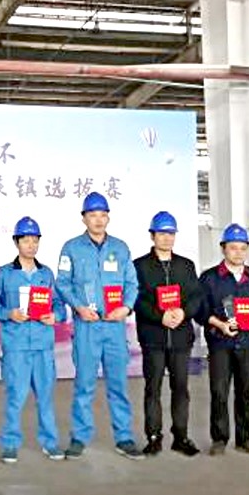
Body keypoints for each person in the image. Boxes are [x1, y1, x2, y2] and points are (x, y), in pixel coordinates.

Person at [56, 192, 143, 460]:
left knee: (118, 385)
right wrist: (78, 307)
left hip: (114, 327)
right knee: (84, 385)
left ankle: (124, 437)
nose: (98, 220)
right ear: (84, 218)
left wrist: (126, 308)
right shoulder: (71, 248)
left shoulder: (120, 248)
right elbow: (62, 283)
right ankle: (79, 437)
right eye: (92, 215)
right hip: (87, 327)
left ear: (108, 218)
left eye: (102, 215)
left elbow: (132, 284)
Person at [0, 217, 67, 463]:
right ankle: (10, 444)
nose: (31, 245)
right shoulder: (4, 274)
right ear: (16, 242)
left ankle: (50, 443)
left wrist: (55, 316)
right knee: (15, 397)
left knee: (45, 398)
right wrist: (9, 314)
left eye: (35, 240)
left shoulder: (46, 274)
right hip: (16, 347)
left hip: (43, 346)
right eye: (26, 240)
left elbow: (59, 305)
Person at [133, 211, 203, 457]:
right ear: (152, 236)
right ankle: (153, 437)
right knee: (153, 388)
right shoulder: (139, 266)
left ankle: (181, 436)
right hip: (153, 337)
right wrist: (159, 316)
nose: (166, 238)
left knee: (181, 388)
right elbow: (136, 298)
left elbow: (196, 296)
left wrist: (184, 312)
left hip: (181, 338)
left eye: (171, 233)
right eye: (162, 233)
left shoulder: (186, 266)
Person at [199, 223, 249, 457]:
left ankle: (244, 439)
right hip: (220, 343)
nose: (238, 252)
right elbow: (200, 311)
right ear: (223, 249)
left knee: (247, 392)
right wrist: (220, 324)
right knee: (219, 392)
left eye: (242, 248)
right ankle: (219, 439)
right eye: (233, 247)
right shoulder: (209, 278)